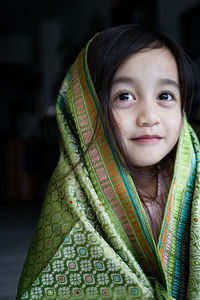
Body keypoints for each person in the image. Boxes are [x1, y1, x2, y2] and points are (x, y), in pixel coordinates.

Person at [16, 24, 200, 300]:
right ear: (87, 110)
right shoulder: (74, 200)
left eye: (165, 96)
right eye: (124, 96)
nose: (148, 116)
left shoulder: (194, 187)